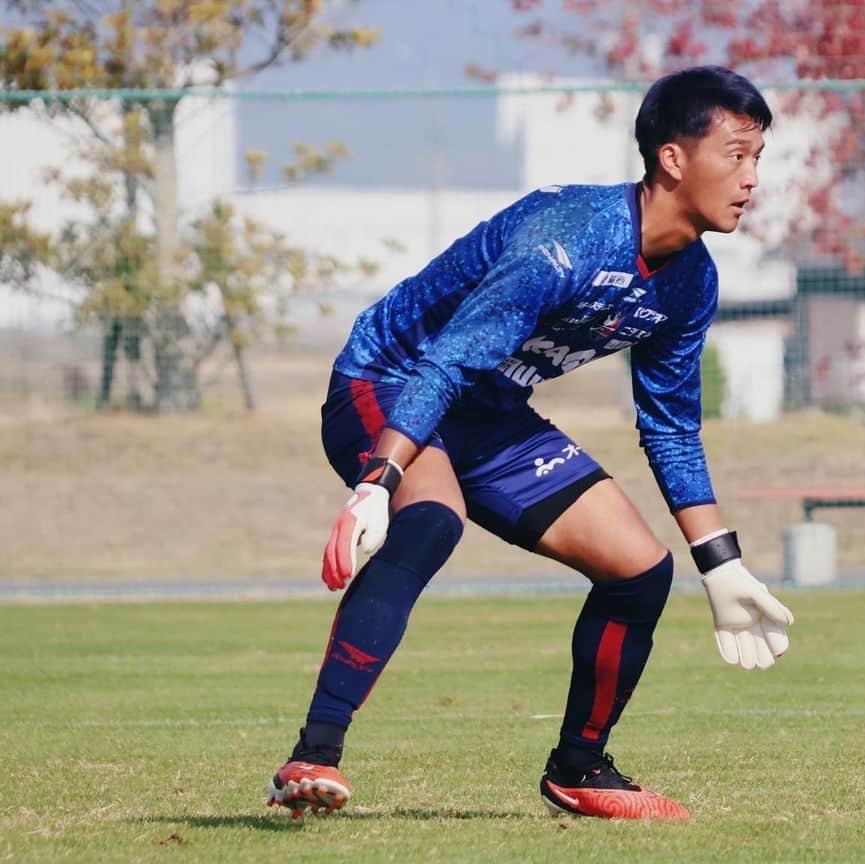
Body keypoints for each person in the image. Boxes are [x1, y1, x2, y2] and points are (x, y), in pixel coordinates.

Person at [266, 65, 794, 822]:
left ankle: (580, 770)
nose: (751, 178)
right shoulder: (571, 237)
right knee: (433, 517)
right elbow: (445, 360)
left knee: (639, 571)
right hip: (390, 383)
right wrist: (378, 482)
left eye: (758, 158)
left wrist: (723, 565)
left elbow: (671, 424)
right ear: (673, 159)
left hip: (486, 412)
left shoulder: (690, 283)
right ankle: (313, 755)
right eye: (736, 154)